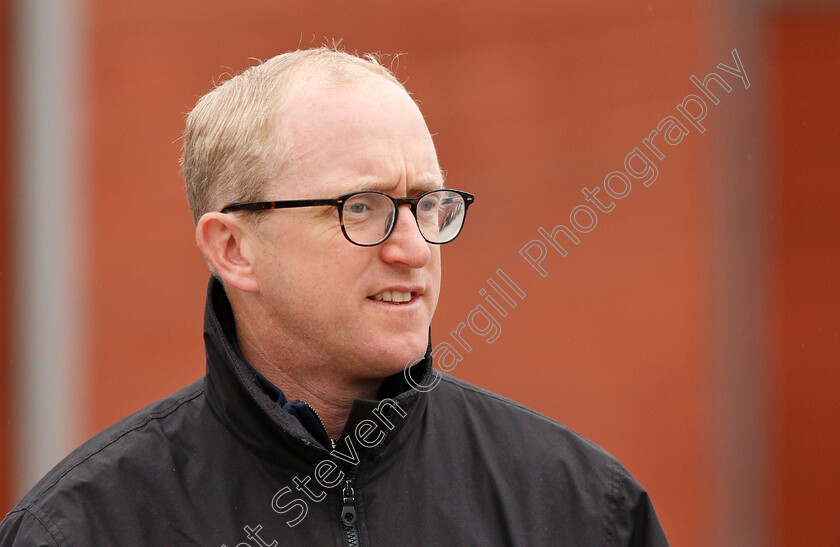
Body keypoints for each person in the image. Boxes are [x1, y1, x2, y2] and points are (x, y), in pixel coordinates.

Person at [0, 47, 668, 546]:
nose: (412, 246)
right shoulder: (83, 528)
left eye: (426, 204)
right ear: (234, 249)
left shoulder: (580, 508)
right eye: (361, 206)